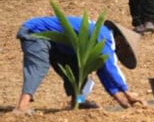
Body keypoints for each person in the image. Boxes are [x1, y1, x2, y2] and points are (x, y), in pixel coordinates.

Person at [14, 16, 145, 114]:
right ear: (121, 40)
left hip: (57, 45)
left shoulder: (100, 35)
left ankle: (78, 101)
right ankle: (22, 106)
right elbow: (111, 67)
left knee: (78, 70)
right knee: (38, 67)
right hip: (36, 32)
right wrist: (127, 92)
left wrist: (121, 99)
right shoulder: (105, 36)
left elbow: (103, 70)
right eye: (125, 49)